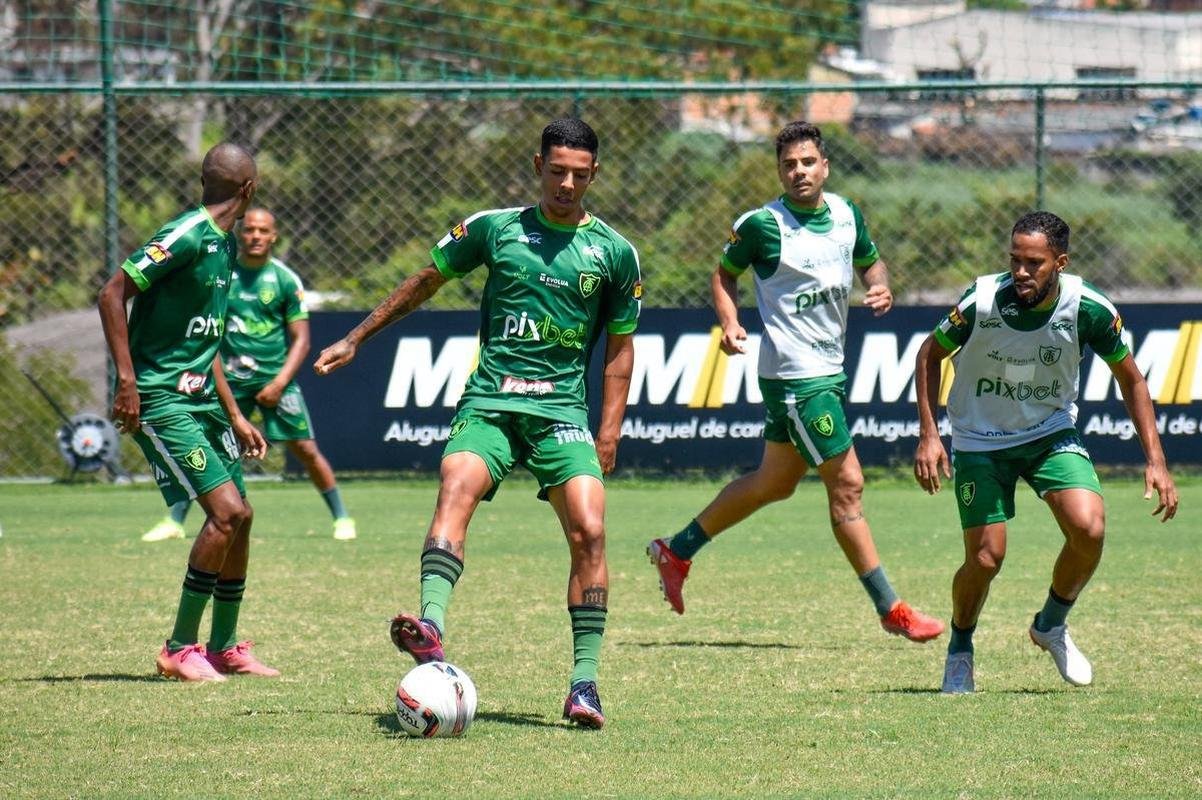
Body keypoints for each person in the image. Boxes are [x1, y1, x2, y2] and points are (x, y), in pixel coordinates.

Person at [314, 118, 641, 729]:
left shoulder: (615, 253)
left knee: (591, 531)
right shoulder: (495, 229)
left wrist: (610, 430)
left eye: (578, 173)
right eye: (556, 170)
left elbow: (621, 348)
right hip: (490, 403)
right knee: (454, 483)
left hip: (561, 414)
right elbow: (424, 281)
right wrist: (357, 336)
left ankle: (584, 685)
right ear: (537, 165)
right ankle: (431, 625)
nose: (566, 183)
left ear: (594, 173)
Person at [647, 121, 944, 644]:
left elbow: (871, 264)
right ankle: (890, 607)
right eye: (789, 164)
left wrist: (880, 288)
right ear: (780, 172)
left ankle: (677, 549)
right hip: (794, 376)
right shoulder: (763, 225)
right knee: (848, 484)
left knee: (774, 483)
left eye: (808, 162)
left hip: (826, 371)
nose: (799, 171)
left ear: (824, 166)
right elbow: (723, 273)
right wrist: (730, 321)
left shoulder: (848, 215)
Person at [913, 211, 1178, 694]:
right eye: (1014, 259)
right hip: (980, 439)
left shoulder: (1088, 308)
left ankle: (1051, 624)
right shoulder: (982, 300)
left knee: (1089, 527)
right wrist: (930, 435)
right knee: (987, 559)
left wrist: (1156, 462)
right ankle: (960, 648)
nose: (1020, 271)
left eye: (1033, 263)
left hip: (1049, 432)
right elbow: (929, 354)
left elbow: (1131, 379)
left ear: (1059, 262)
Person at [98, 142, 279, 682]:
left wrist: (237, 415)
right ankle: (178, 648)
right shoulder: (186, 234)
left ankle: (224, 646)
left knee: (242, 517)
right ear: (249, 189)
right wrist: (127, 382)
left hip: (204, 403)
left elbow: (206, 344)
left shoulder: (223, 246)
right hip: (160, 397)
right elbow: (112, 293)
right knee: (225, 513)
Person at [141, 208, 357, 542]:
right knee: (207, 449)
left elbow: (301, 340)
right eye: (250, 229)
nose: (256, 236)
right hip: (227, 382)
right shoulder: (223, 272)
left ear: (274, 236)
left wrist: (279, 383)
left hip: (274, 380)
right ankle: (174, 521)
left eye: (263, 231)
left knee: (305, 449)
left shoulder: (285, 280)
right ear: (240, 234)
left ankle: (342, 517)